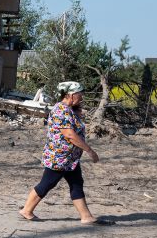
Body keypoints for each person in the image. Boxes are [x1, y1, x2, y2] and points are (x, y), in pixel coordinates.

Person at [19, 81, 109, 225]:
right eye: (80, 95)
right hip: (59, 157)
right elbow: (70, 134)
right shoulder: (61, 110)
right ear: (71, 95)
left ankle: (86, 216)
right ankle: (26, 210)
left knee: (76, 183)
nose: (82, 98)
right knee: (47, 183)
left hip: (69, 159)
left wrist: (77, 112)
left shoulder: (68, 109)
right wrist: (89, 150)